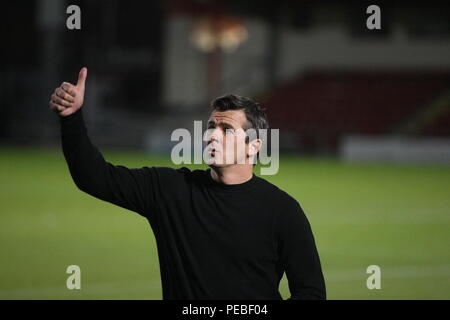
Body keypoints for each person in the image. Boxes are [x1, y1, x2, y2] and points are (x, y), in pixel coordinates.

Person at [49, 67, 326, 300]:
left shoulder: (282, 210)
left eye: (227, 130)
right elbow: (94, 177)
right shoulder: (170, 189)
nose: (212, 136)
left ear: (253, 146)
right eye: (210, 127)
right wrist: (71, 118)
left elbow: (311, 292)